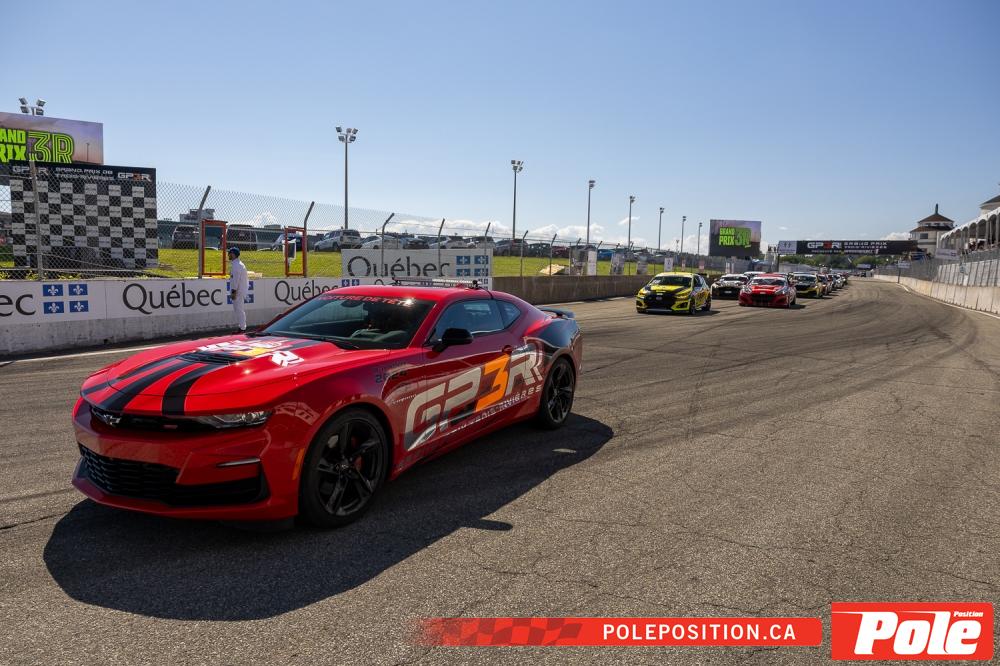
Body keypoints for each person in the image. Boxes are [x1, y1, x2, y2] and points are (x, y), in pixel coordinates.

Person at [228, 247, 250, 333]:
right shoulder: (237, 264)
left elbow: (235, 280)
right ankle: (242, 327)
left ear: (234, 254)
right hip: (239, 290)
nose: (228, 255)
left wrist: (233, 292)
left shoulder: (237, 266)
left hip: (238, 291)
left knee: (239, 309)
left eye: (230, 253)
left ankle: (242, 328)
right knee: (238, 309)